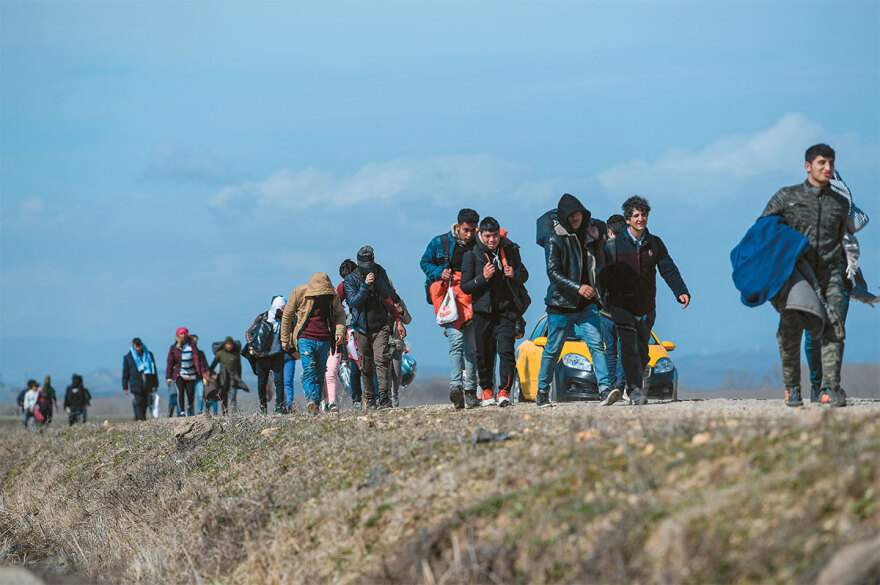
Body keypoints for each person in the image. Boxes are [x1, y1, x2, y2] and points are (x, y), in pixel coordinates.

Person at [759, 144, 849, 407]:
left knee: (834, 327)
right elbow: (763, 230)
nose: (828, 168)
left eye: (831, 163)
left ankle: (828, 388)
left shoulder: (840, 204)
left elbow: (841, 237)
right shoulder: (787, 198)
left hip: (830, 272)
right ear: (808, 166)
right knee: (790, 330)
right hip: (796, 274)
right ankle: (792, 388)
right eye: (822, 162)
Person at [601, 195, 690, 406]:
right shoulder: (614, 246)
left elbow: (668, 268)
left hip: (647, 305)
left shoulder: (655, 243)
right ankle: (633, 390)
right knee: (628, 345)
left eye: (644, 215)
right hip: (621, 305)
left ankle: (635, 386)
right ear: (628, 219)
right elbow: (602, 274)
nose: (641, 219)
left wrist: (680, 291)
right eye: (636, 215)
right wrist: (605, 298)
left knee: (642, 349)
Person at [534, 194, 612, 408]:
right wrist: (578, 288)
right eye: (571, 215)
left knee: (597, 345)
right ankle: (542, 392)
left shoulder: (588, 236)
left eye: (578, 214)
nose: (576, 218)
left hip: (587, 305)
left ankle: (605, 389)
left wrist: (598, 241)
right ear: (564, 217)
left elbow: (601, 264)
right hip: (560, 305)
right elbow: (553, 273)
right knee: (553, 349)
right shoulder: (554, 238)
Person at [802, 170, 873, 403]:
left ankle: (828, 386)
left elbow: (859, 222)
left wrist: (839, 189)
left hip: (841, 279)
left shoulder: (842, 204)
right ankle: (816, 383)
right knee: (813, 338)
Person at [461, 216, 529, 407]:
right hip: (482, 313)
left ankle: (504, 392)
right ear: (480, 235)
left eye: (495, 236)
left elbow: (524, 275)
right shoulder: (471, 255)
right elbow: (465, 287)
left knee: (506, 352)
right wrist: (483, 277)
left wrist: (514, 274)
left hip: (506, 312)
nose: (492, 240)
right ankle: (487, 390)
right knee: (484, 354)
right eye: (488, 236)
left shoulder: (510, 251)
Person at [420, 208, 480, 409]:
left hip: (473, 299)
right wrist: (439, 272)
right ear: (458, 226)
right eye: (466, 230)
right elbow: (424, 262)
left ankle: (471, 391)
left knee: (472, 348)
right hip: (450, 300)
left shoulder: (480, 243)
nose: (469, 235)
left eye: (473, 230)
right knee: (457, 342)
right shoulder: (440, 242)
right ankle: (456, 387)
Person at [344, 246, 406, 409]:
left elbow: (389, 294)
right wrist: (365, 286)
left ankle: (384, 398)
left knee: (381, 360)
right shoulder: (351, 279)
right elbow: (353, 302)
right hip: (361, 327)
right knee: (365, 364)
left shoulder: (380, 271)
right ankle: (370, 398)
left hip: (380, 325)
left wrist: (377, 280)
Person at [281, 273, 347, 415]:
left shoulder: (332, 295)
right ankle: (311, 399)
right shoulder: (299, 293)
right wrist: (284, 338)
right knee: (309, 369)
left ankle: (315, 404)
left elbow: (340, 314)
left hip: (324, 339)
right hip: (305, 338)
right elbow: (287, 314)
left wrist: (339, 332)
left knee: (320, 372)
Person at [600, 214, 627, 393]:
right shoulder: (631, 250)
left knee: (610, 350)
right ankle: (620, 384)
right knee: (623, 349)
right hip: (625, 308)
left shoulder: (601, 251)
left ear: (609, 230)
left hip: (605, 309)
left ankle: (610, 385)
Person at [247, 296, 288, 415]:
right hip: (262, 356)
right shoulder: (262, 317)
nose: (284, 310)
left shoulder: (285, 320)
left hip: (277, 355)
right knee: (262, 382)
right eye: (282, 308)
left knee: (279, 382)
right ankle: (263, 407)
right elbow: (249, 332)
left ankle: (280, 407)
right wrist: (253, 347)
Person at [336, 260, 363, 409]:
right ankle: (362, 398)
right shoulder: (344, 285)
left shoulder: (343, 285)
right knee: (355, 363)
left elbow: (337, 303)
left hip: (354, 323)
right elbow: (337, 302)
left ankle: (358, 399)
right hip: (353, 325)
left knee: (356, 364)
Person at [165, 327, 208, 417]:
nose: (183, 335)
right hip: (179, 374)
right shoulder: (174, 348)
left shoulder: (192, 346)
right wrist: (168, 377)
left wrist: (203, 372)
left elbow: (199, 360)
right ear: (178, 335)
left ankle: (189, 407)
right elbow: (170, 362)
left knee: (190, 394)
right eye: (181, 334)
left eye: (184, 333)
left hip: (191, 374)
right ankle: (182, 412)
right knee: (180, 393)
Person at [209, 336, 250, 414]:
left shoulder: (236, 355)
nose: (229, 346)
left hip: (233, 378)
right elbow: (213, 365)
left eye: (230, 344)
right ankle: (224, 413)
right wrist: (208, 373)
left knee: (233, 397)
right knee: (224, 397)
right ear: (225, 344)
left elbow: (239, 367)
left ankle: (234, 414)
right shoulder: (220, 354)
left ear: (233, 345)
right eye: (227, 344)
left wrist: (239, 379)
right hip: (223, 379)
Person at [123, 337, 159, 421]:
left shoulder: (149, 355)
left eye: (139, 345)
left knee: (146, 403)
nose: (138, 348)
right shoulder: (128, 357)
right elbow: (126, 372)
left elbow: (154, 370)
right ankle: (139, 419)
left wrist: (155, 384)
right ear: (133, 346)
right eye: (136, 346)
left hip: (147, 383)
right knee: (138, 402)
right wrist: (125, 386)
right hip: (135, 384)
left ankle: (142, 418)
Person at [387, 297, 412, 407]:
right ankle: (385, 395)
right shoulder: (378, 300)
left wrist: (401, 313)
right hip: (383, 341)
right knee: (385, 372)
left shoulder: (398, 301)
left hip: (397, 342)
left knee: (397, 372)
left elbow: (408, 320)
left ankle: (394, 394)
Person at [189, 335, 215, 414]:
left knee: (200, 395)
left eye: (196, 341)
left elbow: (205, 364)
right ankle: (190, 414)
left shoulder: (200, 353)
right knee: (190, 397)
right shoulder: (185, 353)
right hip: (188, 377)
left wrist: (207, 372)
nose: (195, 342)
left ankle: (199, 414)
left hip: (199, 377)